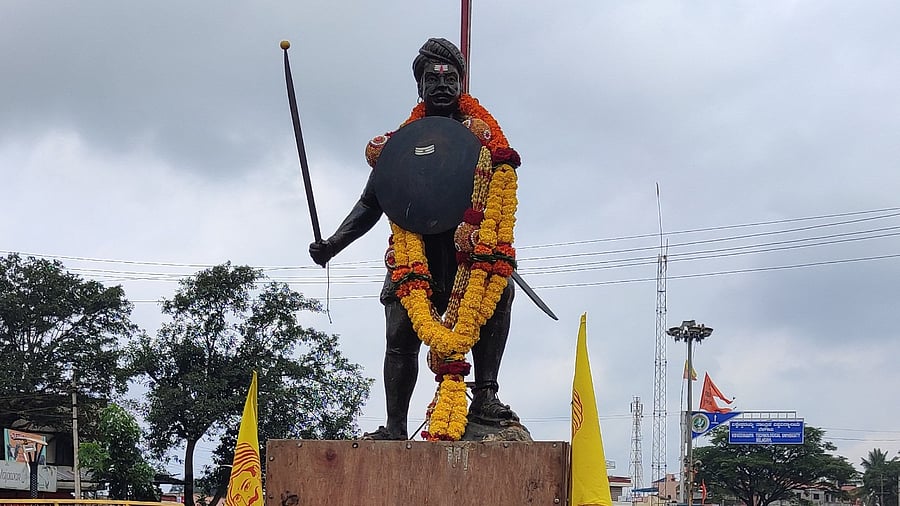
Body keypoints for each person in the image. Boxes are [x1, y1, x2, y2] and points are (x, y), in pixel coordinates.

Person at [309, 38, 520, 440]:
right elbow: (373, 201)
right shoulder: (401, 144)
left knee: (497, 295)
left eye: (450, 78)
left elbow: (499, 194)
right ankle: (396, 426)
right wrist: (334, 244)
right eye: (432, 78)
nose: (442, 85)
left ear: (461, 83)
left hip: (465, 250)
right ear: (420, 87)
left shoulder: (484, 138)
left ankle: (486, 396)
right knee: (399, 333)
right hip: (415, 252)